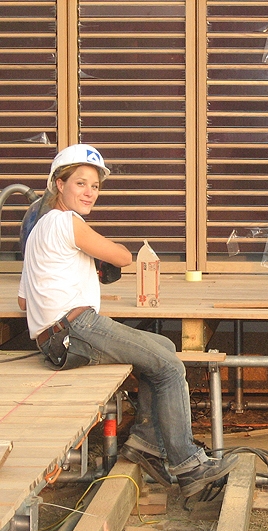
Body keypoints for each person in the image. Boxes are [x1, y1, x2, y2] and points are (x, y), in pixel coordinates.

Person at [17, 144, 238, 497]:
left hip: (56, 339)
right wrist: (98, 256)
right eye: (80, 183)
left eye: (95, 186)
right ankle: (189, 466)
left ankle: (146, 442)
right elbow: (123, 257)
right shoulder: (66, 221)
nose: (89, 192)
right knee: (169, 367)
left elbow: (23, 300)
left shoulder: (39, 230)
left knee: (162, 347)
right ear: (59, 184)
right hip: (77, 329)